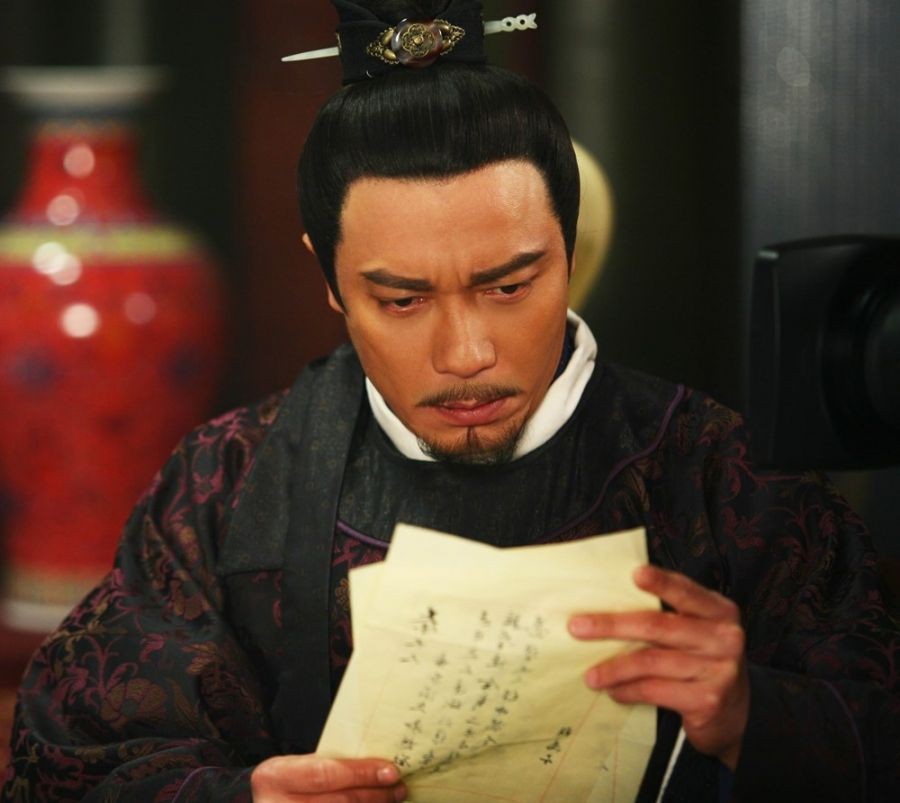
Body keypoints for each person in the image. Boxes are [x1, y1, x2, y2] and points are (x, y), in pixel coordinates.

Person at [3, 2, 899, 801]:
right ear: (330, 279)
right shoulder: (228, 484)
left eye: (509, 286)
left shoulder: (726, 476)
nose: (466, 354)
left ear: (568, 248)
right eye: (401, 301)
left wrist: (755, 715)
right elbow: (68, 760)